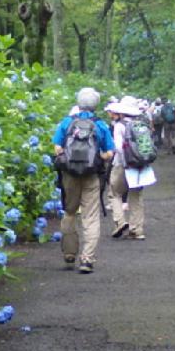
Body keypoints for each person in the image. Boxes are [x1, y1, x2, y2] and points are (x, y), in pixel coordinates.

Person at [52, 88, 114, 273]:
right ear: (96, 105)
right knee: (91, 216)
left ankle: (70, 252)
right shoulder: (100, 125)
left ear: (78, 103)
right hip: (91, 175)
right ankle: (87, 259)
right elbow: (110, 152)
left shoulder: (67, 123)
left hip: (70, 175)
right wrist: (99, 157)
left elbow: (57, 148)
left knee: (70, 211)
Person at [107, 96, 151, 240]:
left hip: (121, 164)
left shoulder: (119, 125)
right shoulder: (141, 125)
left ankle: (120, 222)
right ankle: (137, 230)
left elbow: (118, 147)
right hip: (139, 166)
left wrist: (125, 160)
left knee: (115, 193)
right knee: (136, 197)